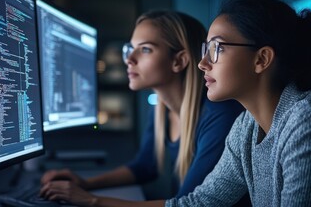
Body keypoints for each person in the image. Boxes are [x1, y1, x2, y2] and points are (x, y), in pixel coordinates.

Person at [165, 0, 311, 206]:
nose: (202, 63)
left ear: (262, 59)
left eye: (217, 48)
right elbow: (202, 201)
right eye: (206, 49)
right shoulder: (247, 126)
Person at [40, 10, 245, 205]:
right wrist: (86, 184)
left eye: (145, 49)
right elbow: (145, 166)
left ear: (179, 60)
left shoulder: (219, 115)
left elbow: (188, 204)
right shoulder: (160, 109)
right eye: (130, 49)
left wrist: (91, 200)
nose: (129, 59)